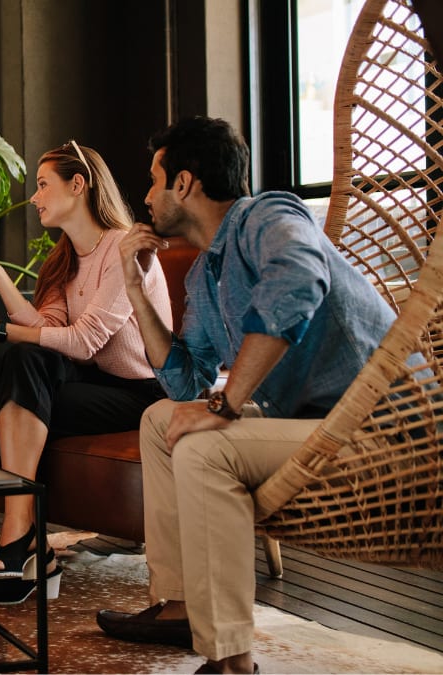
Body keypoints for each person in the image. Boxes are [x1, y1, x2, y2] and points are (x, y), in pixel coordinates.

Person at [97, 116, 397, 674]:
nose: (144, 197)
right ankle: (182, 604)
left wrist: (227, 405)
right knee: (161, 421)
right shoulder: (205, 277)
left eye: (152, 179)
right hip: (314, 423)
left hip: (382, 425)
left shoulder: (269, 215)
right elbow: (184, 383)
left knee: (206, 448)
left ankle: (232, 660)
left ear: (183, 184)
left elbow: (299, 281)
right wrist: (135, 288)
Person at [0, 141, 172, 605]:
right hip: (95, 385)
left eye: (44, 185)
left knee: (17, 367)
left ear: (78, 185)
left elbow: (84, 340)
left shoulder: (123, 249)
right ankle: (29, 540)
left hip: (142, 391)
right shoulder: (64, 258)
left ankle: (19, 538)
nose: (35, 196)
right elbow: (47, 330)